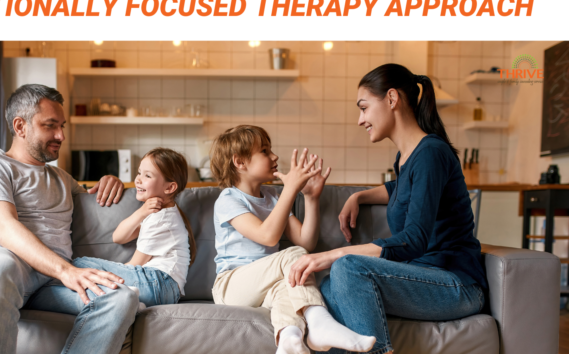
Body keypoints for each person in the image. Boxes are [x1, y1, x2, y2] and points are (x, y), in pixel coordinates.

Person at [289, 64, 488, 354]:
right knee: (330, 289)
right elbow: (402, 188)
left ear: (392, 99)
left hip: (457, 284)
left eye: (364, 108)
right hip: (425, 276)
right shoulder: (407, 157)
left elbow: (413, 239)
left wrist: (333, 254)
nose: (361, 120)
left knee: (347, 268)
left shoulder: (431, 153)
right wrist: (358, 196)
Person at [0, 84, 138, 354]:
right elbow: (4, 227)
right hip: (3, 267)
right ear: (20, 126)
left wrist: (110, 180)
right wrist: (67, 271)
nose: (61, 135)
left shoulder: (63, 179)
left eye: (63, 126)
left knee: (120, 297)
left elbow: (95, 200)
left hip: (48, 282)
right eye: (50, 126)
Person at [210, 125, 376, 354]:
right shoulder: (228, 199)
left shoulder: (271, 197)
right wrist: (290, 189)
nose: (274, 156)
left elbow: (305, 242)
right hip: (232, 285)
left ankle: (290, 340)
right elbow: (268, 237)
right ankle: (320, 322)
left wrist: (310, 198)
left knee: (290, 283)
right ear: (240, 162)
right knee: (295, 259)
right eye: (265, 151)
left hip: (265, 286)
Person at [68, 147, 196, 310]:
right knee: (84, 272)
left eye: (147, 175)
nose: (138, 180)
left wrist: (108, 276)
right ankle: (127, 301)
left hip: (158, 283)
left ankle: (124, 298)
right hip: (162, 287)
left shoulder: (161, 219)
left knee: (80, 264)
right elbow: (119, 237)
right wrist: (141, 212)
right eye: (139, 172)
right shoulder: (155, 213)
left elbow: (136, 263)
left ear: (169, 188)